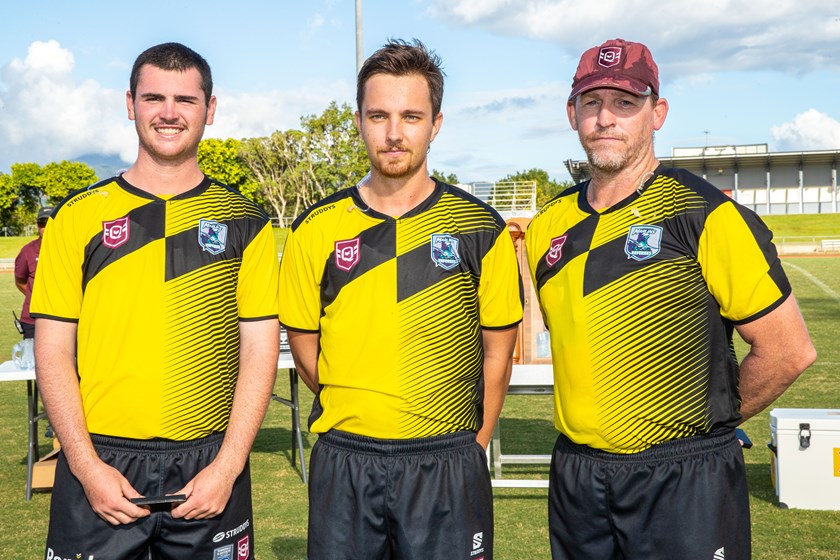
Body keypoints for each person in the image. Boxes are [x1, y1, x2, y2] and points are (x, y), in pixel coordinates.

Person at [525, 38, 816, 559]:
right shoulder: (549, 226)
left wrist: (709, 423)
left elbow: (789, 350)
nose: (606, 118)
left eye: (625, 103)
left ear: (657, 113)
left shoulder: (705, 214)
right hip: (578, 480)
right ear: (572, 115)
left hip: (685, 477)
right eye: (591, 103)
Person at [31, 42, 279, 560]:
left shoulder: (247, 222)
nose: (169, 113)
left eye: (186, 100)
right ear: (130, 104)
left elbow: (259, 353)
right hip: (101, 459)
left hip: (208, 464)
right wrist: (85, 465)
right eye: (154, 98)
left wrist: (228, 467)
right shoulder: (77, 218)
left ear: (210, 109)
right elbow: (52, 352)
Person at [279, 39, 523, 560]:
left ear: (436, 123)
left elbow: (498, 352)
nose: (394, 133)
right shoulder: (314, 229)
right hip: (346, 460)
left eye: (411, 116)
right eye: (379, 115)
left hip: (447, 461)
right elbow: (304, 344)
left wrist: (473, 444)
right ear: (359, 121)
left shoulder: (480, 227)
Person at [14, 206, 53, 339]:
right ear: (37, 225)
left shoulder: (71, 248)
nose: (45, 227)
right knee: (31, 359)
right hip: (32, 319)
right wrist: (37, 296)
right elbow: (20, 281)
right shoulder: (27, 251)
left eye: (49, 223)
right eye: (42, 223)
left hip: (63, 317)